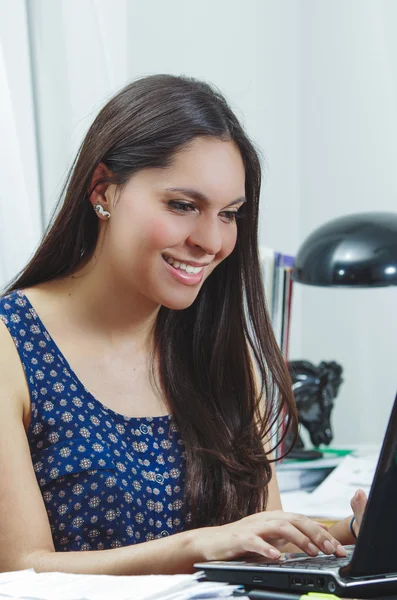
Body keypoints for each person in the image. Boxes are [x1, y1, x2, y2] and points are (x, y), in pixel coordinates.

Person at [0, 74, 366, 576]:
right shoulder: (11, 347)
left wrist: (356, 531)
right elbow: (19, 568)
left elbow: (261, 533)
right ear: (103, 189)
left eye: (230, 214)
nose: (211, 241)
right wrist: (198, 547)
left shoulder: (220, 351)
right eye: (183, 205)